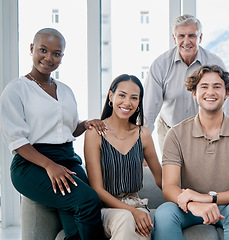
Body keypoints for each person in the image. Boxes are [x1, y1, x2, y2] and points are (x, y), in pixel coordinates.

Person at [0, 28, 107, 239]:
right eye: (43, 50)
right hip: (31, 164)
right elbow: (17, 141)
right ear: (32, 49)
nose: (49, 58)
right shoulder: (16, 90)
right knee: (87, 201)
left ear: (62, 57)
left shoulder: (66, 90)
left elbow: (67, 129)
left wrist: (86, 124)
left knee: (76, 221)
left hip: (67, 158)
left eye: (56, 53)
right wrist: (50, 166)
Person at [153, 65, 229, 240]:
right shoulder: (176, 134)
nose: (210, 92)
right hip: (191, 207)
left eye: (217, 87)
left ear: (226, 93)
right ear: (194, 93)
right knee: (164, 213)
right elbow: (169, 186)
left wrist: (208, 199)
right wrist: (194, 203)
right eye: (204, 86)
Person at [84, 74, 162, 240]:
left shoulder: (143, 134)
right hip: (106, 210)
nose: (127, 103)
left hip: (137, 205)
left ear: (139, 103)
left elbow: (161, 180)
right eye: (122, 95)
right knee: (127, 218)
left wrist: (188, 197)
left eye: (134, 98)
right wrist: (132, 212)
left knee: (138, 222)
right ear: (111, 96)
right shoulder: (94, 133)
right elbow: (97, 190)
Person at [143, 14, 229, 153]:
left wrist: (228, 139)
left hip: (206, 133)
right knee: (173, 174)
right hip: (169, 130)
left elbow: (226, 105)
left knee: (203, 173)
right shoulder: (160, 65)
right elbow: (149, 108)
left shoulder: (215, 64)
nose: (186, 41)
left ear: (200, 38)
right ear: (174, 38)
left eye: (192, 35)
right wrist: (142, 145)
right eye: (181, 36)